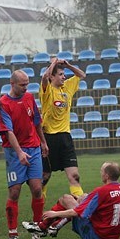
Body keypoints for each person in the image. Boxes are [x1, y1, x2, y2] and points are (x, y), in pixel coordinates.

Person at [0, 70, 49, 239]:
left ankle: (37, 227)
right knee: (15, 191)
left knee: (37, 189)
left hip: (33, 149)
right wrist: (19, 152)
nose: (26, 88)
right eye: (22, 85)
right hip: (14, 152)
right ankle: (13, 232)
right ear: (12, 84)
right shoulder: (3, 104)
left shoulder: (29, 98)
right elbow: (8, 131)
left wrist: (43, 142)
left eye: (27, 84)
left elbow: (37, 122)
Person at [23, 162, 120, 239]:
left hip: (97, 237)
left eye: (101, 171)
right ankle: (54, 226)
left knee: (66, 199)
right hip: (114, 236)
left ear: (106, 176)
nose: (100, 173)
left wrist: (54, 214)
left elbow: (78, 213)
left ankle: (43, 227)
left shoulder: (101, 191)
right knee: (83, 197)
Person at [39, 58, 87, 202]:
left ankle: (80, 211)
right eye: (60, 74)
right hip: (48, 138)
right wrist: (53, 63)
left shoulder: (67, 88)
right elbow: (44, 78)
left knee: (74, 176)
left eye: (63, 74)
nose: (64, 76)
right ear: (52, 76)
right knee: (45, 177)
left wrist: (67, 65)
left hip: (65, 137)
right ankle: (38, 210)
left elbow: (81, 75)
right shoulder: (46, 90)